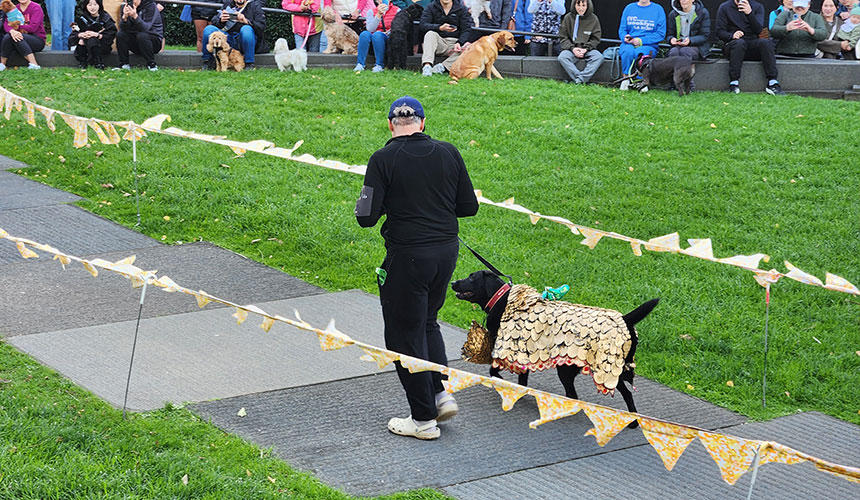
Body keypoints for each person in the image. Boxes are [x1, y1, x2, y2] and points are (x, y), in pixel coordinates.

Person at [356, 96, 478, 441]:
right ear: (422, 123)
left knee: (402, 334)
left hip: (407, 255)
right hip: (445, 252)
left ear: (391, 125)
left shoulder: (383, 158)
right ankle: (439, 395)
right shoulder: (448, 152)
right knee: (426, 323)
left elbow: (365, 217)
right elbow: (468, 206)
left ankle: (423, 419)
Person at [715, 0, 784, 95]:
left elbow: (759, 30)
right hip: (733, 45)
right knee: (739, 43)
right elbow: (719, 32)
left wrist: (749, 13)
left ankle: (772, 83)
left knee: (766, 43)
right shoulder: (724, 7)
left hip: (752, 44)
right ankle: (734, 83)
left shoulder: (757, 7)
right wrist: (732, 35)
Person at [202, 0, 266, 70]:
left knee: (246, 29)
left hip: (244, 40)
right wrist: (221, 20)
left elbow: (261, 26)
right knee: (209, 29)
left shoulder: (255, 5)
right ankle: (208, 62)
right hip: (228, 39)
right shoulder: (228, 4)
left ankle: (249, 63)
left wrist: (246, 21)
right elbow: (214, 20)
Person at [617, 0, 666, 90]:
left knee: (641, 53)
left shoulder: (658, 9)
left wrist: (641, 41)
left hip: (648, 44)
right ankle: (625, 79)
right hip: (629, 43)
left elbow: (660, 34)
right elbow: (622, 29)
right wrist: (625, 37)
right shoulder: (629, 8)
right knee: (627, 51)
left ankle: (643, 81)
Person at [418, 0, 473, 76]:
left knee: (470, 48)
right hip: (438, 42)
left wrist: (460, 42)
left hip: (455, 44)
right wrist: (439, 28)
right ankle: (427, 66)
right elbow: (423, 25)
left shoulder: (462, 9)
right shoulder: (431, 7)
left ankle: (442, 67)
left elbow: (467, 29)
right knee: (430, 34)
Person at [557, 0, 602, 83]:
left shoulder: (594, 18)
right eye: (578, 5)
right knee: (562, 57)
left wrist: (586, 49)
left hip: (588, 49)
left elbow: (596, 38)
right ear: (574, 5)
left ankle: (579, 80)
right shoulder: (568, 17)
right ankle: (581, 79)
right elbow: (563, 37)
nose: (581, 8)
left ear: (588, 6)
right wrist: (573, 48)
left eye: (583, 5)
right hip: (571, 48)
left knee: (598, 57)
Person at [113, 0, 162, 70]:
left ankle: (152, 65)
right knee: (120, 34)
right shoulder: (127, 6)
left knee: (142, 35)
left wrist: (135, 16)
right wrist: (125, 18)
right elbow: (123, 29)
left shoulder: (151, 6)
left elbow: (146, 28)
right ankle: (124, 64)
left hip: (153, 42)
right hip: (137, 42)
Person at [68, 0, 116, 69]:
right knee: (81, 41)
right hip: (85, 45)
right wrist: (80, 35)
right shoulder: (82, 18)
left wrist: (97, 35)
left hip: (101, 46)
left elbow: (111, 34)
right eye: (89, 5)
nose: (92, 7)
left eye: (95, 4)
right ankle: (82, 62)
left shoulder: (105, 18)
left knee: (92, 40)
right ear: (86, 6)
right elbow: (73, 35)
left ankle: (98, 63)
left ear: (99, 5)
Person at [354, 0, 399, 72]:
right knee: (364, 34)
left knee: (377, 35)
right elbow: (370, 29)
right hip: (374, 36)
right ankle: (360, 64)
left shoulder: (397, 10)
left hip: (388, 37)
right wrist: (378, 15)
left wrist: (388, 32)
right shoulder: (371, 11)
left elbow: (398, 27)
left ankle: (379, 64)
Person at [0, 0, 45, 70]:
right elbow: (6, 23)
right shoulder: (14, 8)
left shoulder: (36, 7)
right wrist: (11, 30)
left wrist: (16, 27)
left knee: (16, 36)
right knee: (9, 36)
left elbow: (33, 28)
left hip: (37, 39)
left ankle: (34, 64)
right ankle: (2, 65)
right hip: (19, 37)